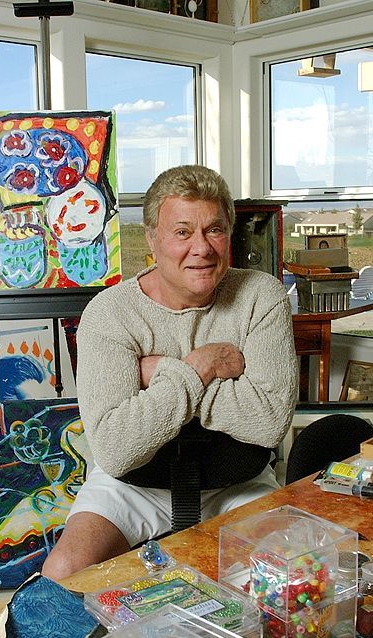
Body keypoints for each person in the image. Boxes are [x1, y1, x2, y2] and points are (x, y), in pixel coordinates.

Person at [42, 165, 297, 580]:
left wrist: (162, 372)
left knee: (287, 574)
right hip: (132, 485)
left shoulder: (261, 296)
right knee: (65, 572)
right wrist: (200, 368)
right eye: (182, 232)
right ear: (152, 238)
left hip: (238, 482)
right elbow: (115, 447)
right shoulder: (110, 314)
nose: (202, 248)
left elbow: (268, 421)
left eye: (214, 230)